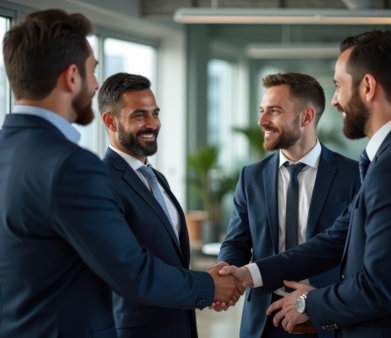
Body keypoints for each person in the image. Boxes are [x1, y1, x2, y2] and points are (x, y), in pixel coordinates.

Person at [0, 9, 242, 337]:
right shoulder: (71, 165)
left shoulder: (10, 151)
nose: (96, 83)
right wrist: (209, 286)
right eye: (92, 70)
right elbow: (131, 271)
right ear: (72, 76)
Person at [220, 30, 391, 338]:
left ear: (367, 87)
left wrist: (306, 303)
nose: (336, 100)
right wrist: (249, 274)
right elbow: (336, 239)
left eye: (339, 86)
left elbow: (378, 288)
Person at [216, 72, 360, 338]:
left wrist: (323, 302)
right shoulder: (251, 176)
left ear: (306, 116)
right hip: (263, 321)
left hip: (324, 320)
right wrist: (226, 275)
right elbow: (236, 242)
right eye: (262, 111)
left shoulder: (353, 175)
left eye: (274, 111)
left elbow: (356, 255)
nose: (261, 121)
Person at [98, 72, 201, 337]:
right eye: (139, 115)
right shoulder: (102, 182)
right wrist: (207, 285)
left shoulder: (156, 178)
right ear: (110, 121)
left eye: (155, 113)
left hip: (178, 324)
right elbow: (128, 271)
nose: (153, 124)